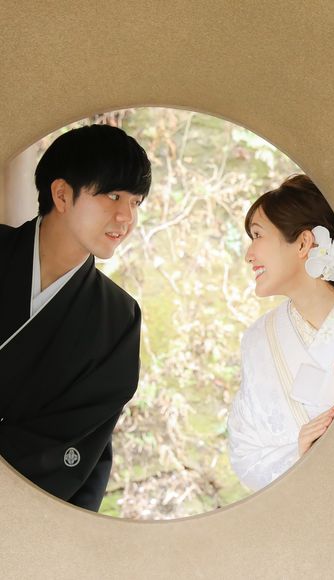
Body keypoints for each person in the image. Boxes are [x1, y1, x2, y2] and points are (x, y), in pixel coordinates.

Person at [0, 124, 151, 511]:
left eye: (136, 202)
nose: (126, 217)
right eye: (113, 195)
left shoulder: (118, 318)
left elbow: (77, 441)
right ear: (62, 194)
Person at [227, 174, 334, 491]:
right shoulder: (259, 339)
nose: (248, 255)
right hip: (307, 505)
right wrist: (300, 453)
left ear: (303, 243)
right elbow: (245, 455)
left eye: (257, 235)